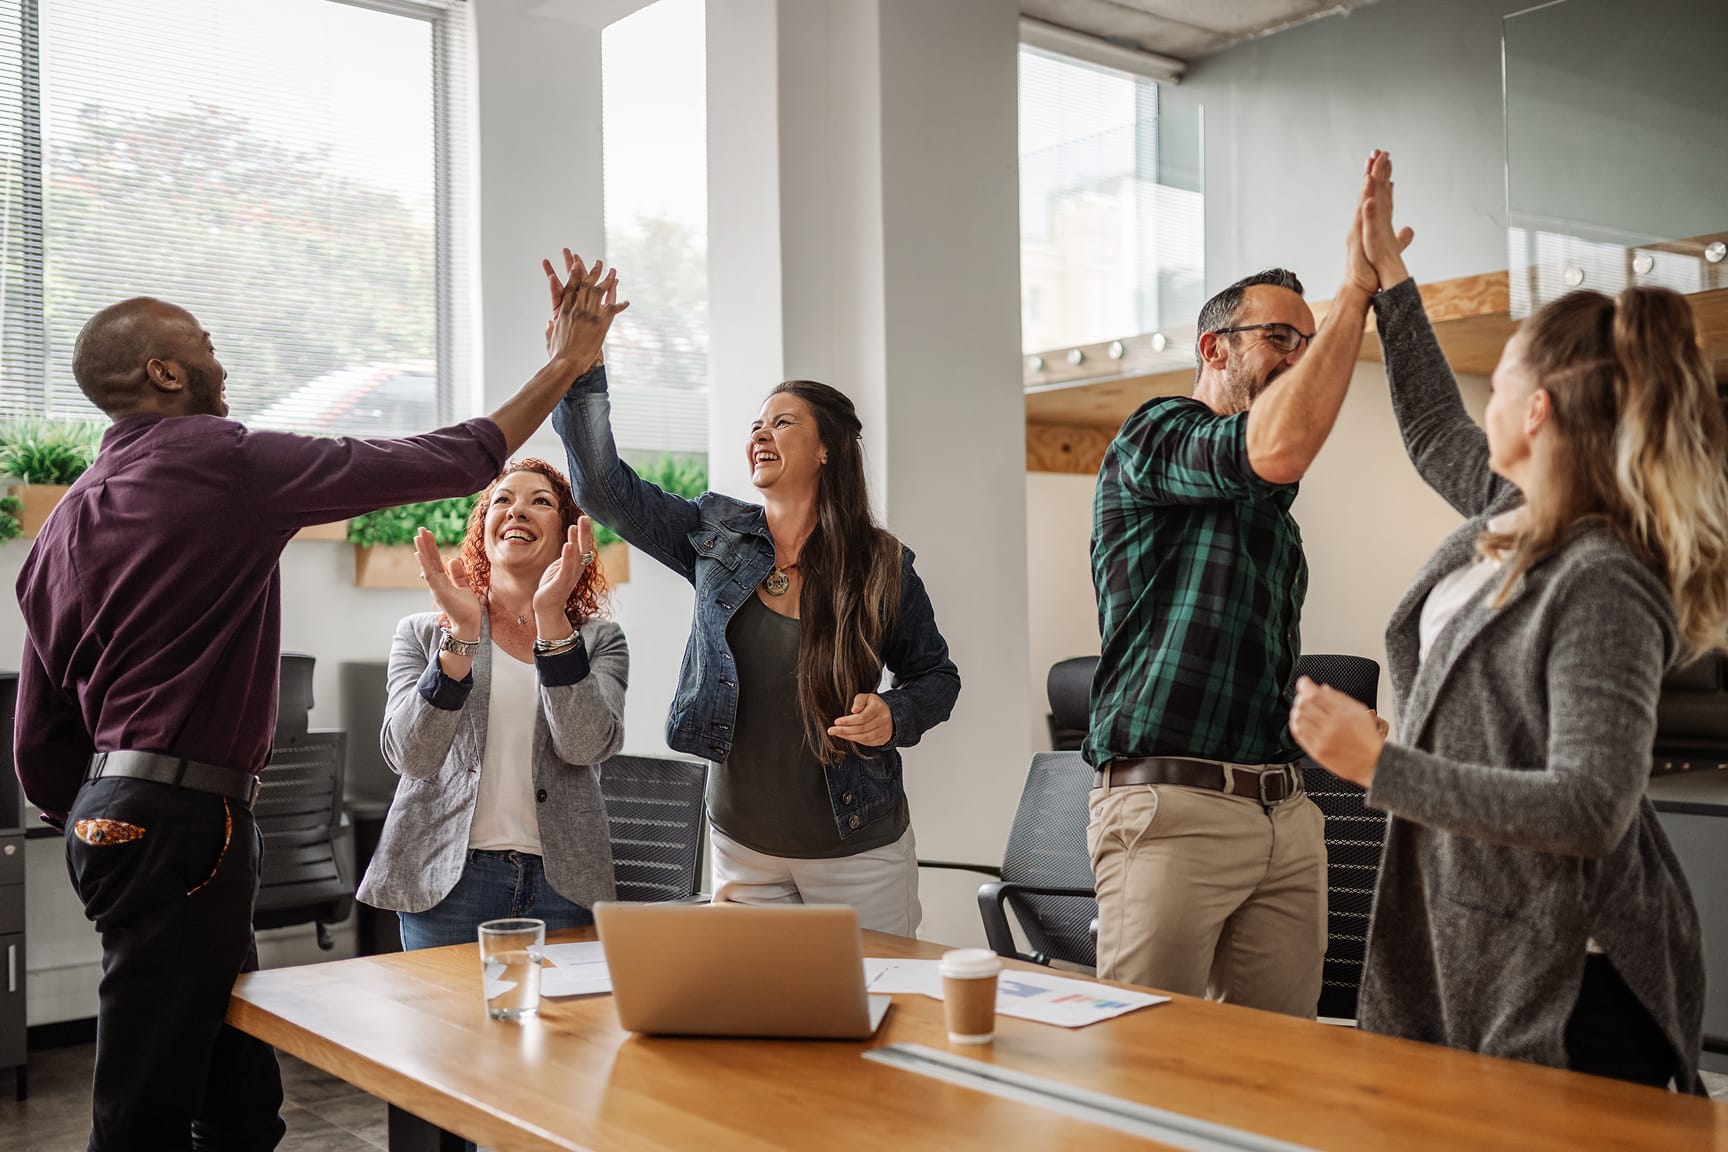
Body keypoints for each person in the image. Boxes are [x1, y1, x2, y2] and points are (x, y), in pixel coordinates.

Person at [14, 256, 627, 1150]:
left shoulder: (66, 518)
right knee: (146, 1109)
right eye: (206, 344)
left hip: (119, 813)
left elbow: (39, 728)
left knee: (238, 1105)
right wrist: (568, 363)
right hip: (188, 819)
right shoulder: (221, 461)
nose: (220, 359)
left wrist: (100, 818)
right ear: (164, 372)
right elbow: (449, 457)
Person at [1290, 151, 1719, 1091]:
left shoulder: (1601, 577)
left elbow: (1590, 807)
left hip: (1574, 976)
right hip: (1474, 933)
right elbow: (1436, 427)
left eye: (1501, 375)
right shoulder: (1507, 520)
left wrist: (1378, 765)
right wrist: (1385, 282)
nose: (1484, 398)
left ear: (1538, 407)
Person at [548, 256, 960, 935]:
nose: (759, 434)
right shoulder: (715, 536)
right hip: (743, 851)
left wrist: (896, 712)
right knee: (756, 1025)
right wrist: (582, 369)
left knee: (870, 1012)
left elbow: (936, 677)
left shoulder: (882, 565)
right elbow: (602, 490)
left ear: (828, 450)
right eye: (755, 425)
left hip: (857, 848)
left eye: (783, 423)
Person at [1084, 179, 1394, 1014]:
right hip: (1171, 810)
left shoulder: (1274, 521)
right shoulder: (1154, 434)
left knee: (1277, 1078)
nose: (1298, 352)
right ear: (1214, 348)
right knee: (1143, 1066)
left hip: (1286, 819)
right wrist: (1355, 295)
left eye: (1309, 337)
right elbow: (1278, 445)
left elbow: (1276, 458)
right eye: (1278, 336)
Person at [357, 458, 627, 950]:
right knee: (444, 1028)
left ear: (568, 534)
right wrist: (459, 641)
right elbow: (412, 757)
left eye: (539, 502)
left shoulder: (598, 640)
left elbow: (585, 745)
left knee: (565, 1027)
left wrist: (552, 623)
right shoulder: (421, 633)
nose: (517, 510)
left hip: (563, 883)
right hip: (446, 881)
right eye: (503, 500)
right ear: (483, 529)